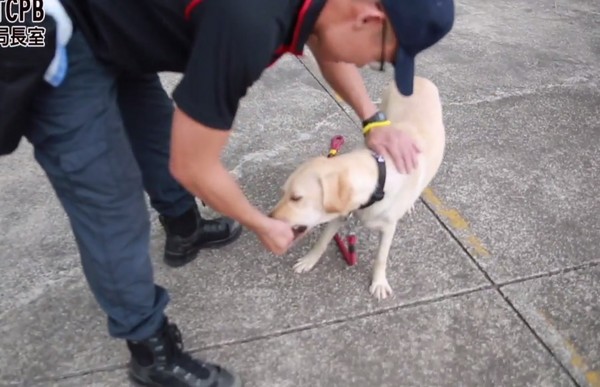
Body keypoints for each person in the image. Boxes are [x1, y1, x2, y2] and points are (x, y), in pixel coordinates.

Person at [18, 0, 454, 385]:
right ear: (370, 17)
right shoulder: (248, 23)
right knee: (110, 204)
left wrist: (373, 120)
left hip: (117, 27)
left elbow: (329, 37)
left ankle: (184, 227)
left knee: (157, 131)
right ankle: (150, 351)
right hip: (54, 29)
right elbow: (192, 165)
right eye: (382, 59)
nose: (374, 67)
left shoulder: (326, 9)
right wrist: (261, 222)